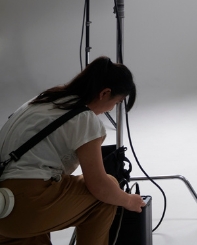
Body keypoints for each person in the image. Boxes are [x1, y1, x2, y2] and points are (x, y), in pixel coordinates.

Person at [0, 56, 145, 245]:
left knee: (33, 223)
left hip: (5, 209)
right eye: (116, 103)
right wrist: (129, 200)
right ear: (105, 93)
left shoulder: (41, 102)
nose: (110, 109)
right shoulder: (84, 118)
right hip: (28, 203)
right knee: (108, 192)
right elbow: (99, 186)